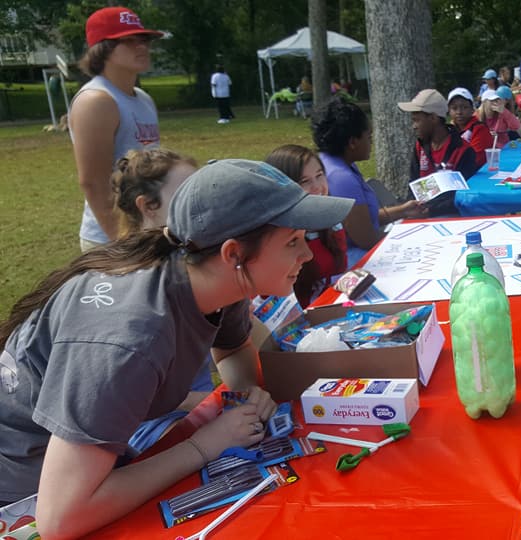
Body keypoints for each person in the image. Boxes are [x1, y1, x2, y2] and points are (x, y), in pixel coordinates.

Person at [0, 159, 355, 537]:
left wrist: (246, 398)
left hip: (88, 465)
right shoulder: (130, 339)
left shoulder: (218, 278)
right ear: (233, 254)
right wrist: (205, 446)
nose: (307, 255)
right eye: (292, 242)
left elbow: (232, 349)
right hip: (27, 497)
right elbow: (61, 518)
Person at [111, 148, 219, 452]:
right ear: (147, 206)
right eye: (186, 195)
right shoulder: (134, 285)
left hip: (202, 412)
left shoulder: (193, 258)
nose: (202, 206)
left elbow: (237, 340)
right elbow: (129, 396)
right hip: (151, 427)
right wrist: (218, 403)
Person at [69, 6, 163, 252]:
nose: (141, 46)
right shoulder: (96, 101)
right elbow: (93, 182)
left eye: (143, 39)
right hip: (111, 238)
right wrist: (122, 241)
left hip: (146, 228)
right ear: (103, 49)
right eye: (128, 41)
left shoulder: (142, 98)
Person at [313, 97, 427, 267]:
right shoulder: (341, 178)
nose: (371, 143)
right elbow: (366, 239)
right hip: (351, 261)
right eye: (369, 137)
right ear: (352, 142)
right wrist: (413, 240)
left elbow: (363, 219)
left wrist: (403, 210)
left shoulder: (338, 163)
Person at [265, 144, 349, 306]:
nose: (317, 187)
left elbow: (340, 272)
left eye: (319, 175)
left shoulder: (331, 218)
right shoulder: (277, 238)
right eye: (304, 181)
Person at [399, 89, 478, 216]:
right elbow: (413, 183)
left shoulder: (463, 150)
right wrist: (411, 206)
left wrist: (430, 211)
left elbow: (463, 195)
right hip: (420, 211)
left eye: (417, 120)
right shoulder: (420, 146)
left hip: (450, 214)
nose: (414, 126)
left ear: (433, 118)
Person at [448, 87, 493, 167]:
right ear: (449, 111)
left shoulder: (480, 129)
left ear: (472, 109)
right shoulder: (448, 131)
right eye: (454, 108)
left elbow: (477, 159)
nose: (459, 112)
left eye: (464, 107)